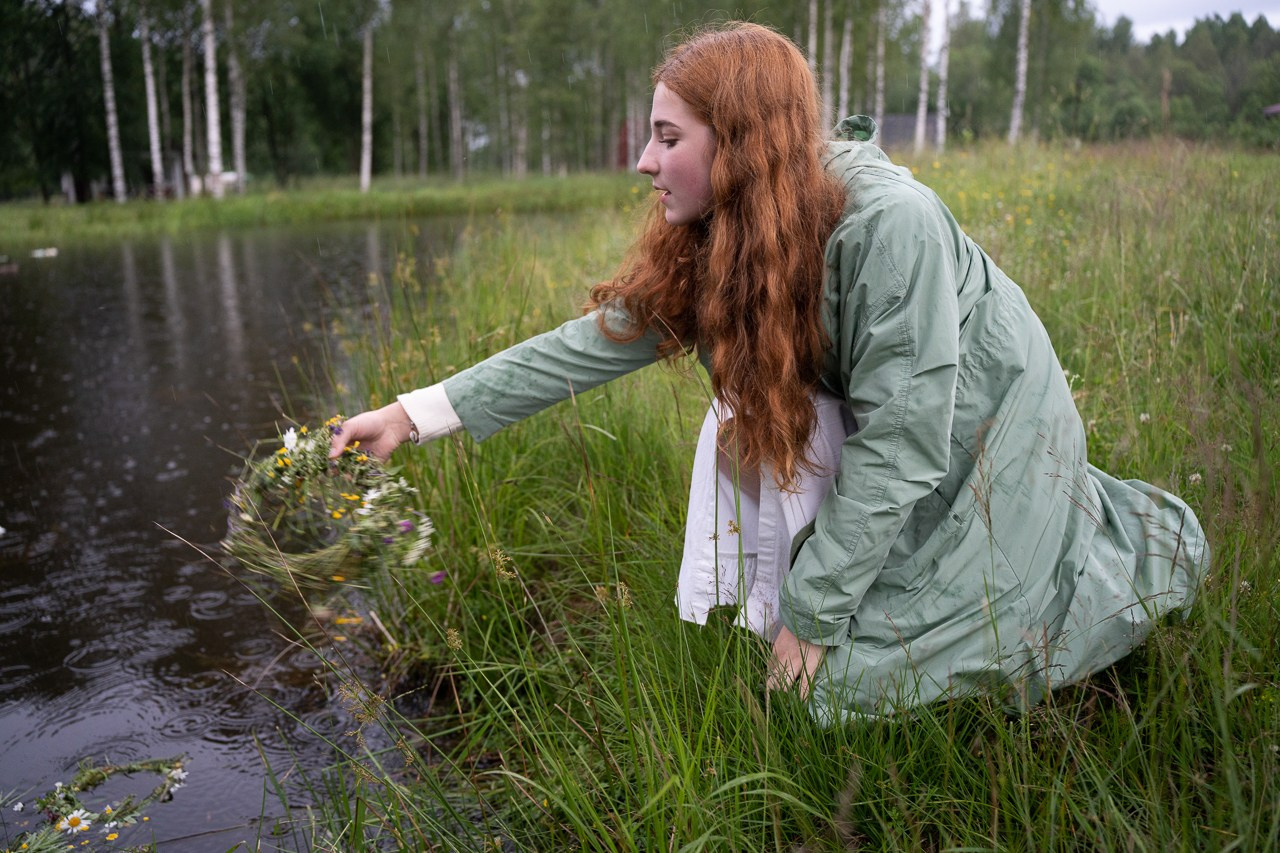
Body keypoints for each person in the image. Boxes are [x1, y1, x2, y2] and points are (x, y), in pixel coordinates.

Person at [330, 22, 1207, 722]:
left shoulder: (889, 226)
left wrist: (811, 620)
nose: (644, 161)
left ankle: (1115, 549)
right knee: (822, 677)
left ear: (740, 143)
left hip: (993, 426)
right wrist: (413, 414)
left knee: (839, 692)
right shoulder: (729, 229)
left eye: (667, 137)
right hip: (911, 438)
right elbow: (593, 343)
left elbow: (905, 439)